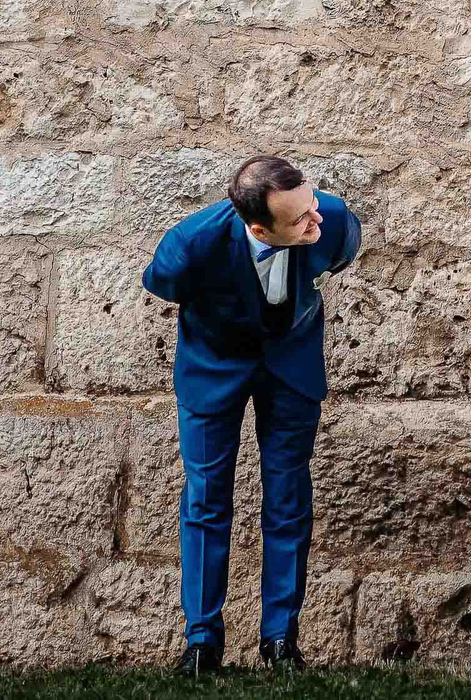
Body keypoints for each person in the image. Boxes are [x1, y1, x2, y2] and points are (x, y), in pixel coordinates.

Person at [143, 154, 362, 677]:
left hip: (290, 367)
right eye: (301, 219)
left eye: (313, 205)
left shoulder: (335, 225)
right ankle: (202, 644)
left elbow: (336, 252)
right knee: (206, 497)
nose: (317, 221)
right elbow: (161, 284)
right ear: (259, 228)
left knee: (288, 497)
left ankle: (280, 640)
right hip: (213, 368)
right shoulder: (189, 247)